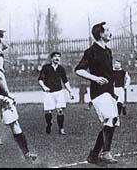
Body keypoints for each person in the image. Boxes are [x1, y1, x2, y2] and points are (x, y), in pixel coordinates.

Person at [75, 22, 119, 165]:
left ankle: (94, 155)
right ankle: (105, 153)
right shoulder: (91, 51)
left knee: (111, 122)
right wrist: (95, 78)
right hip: (98, 92)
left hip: (109, 92)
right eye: (107, 30)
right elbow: (79, 70)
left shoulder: (108, 51)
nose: (110, 33)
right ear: (100, 34)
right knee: (110, 118)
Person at [0, 30, 37, 161]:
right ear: (0, 40)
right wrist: (8, 94)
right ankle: (27, 155)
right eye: (6, 38)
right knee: (14, 123)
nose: (8, 41)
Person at [38, 51, 74, 135]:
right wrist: (44, 87)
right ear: (51, 58)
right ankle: (49, 124)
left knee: (60, 110)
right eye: (55, 56)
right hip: (48, 93)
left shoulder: (61, 69)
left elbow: (65, 81)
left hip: (59, 92)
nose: (57, 58)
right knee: (48, 112)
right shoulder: (46, 68)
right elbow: (40, 80)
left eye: (58, 57)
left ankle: (61, 129)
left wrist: (70, 92)